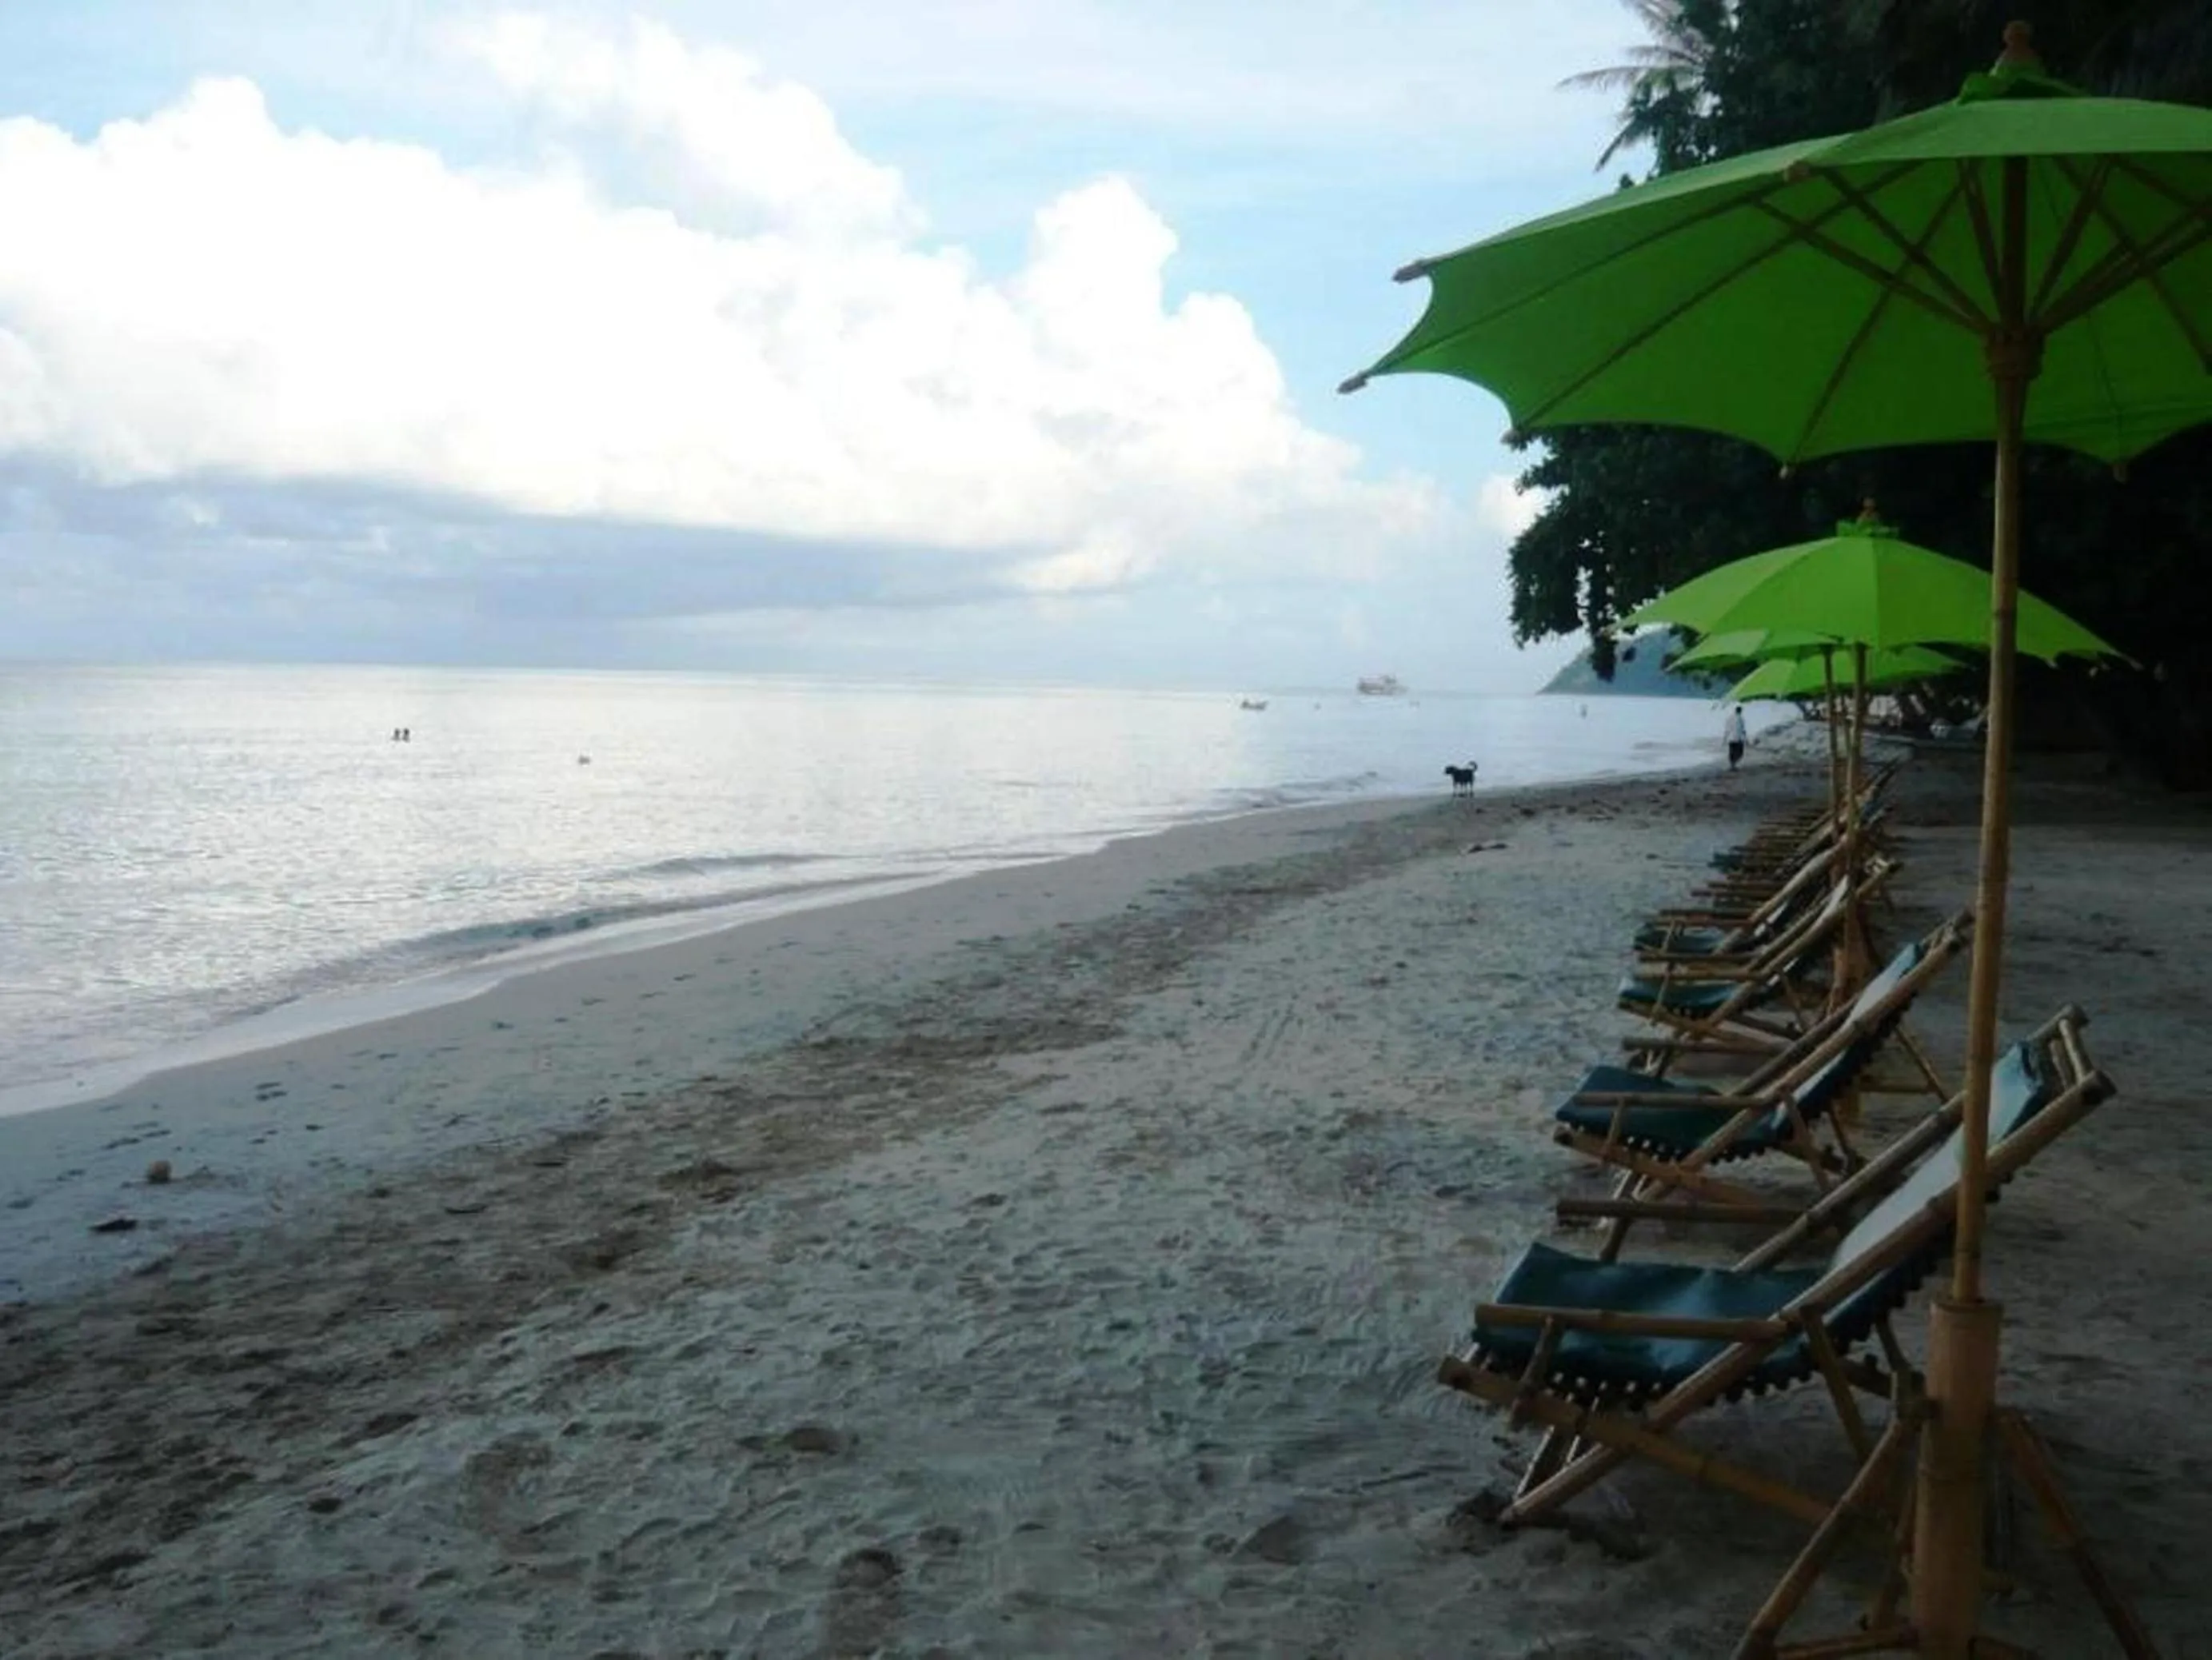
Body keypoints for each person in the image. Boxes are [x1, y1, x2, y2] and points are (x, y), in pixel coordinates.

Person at [1724, 704, 1748, 771]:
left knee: (1732, 752)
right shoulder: (1741, 719)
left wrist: (1725, 738)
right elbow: (1743, 730)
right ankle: (1733, 765)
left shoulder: (1730, 718)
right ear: (1740, 711)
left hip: (1732, 738)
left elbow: (1727, 729)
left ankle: (1732, 765)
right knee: (1739, 752)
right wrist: (1746, 739)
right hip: (1738, 738)